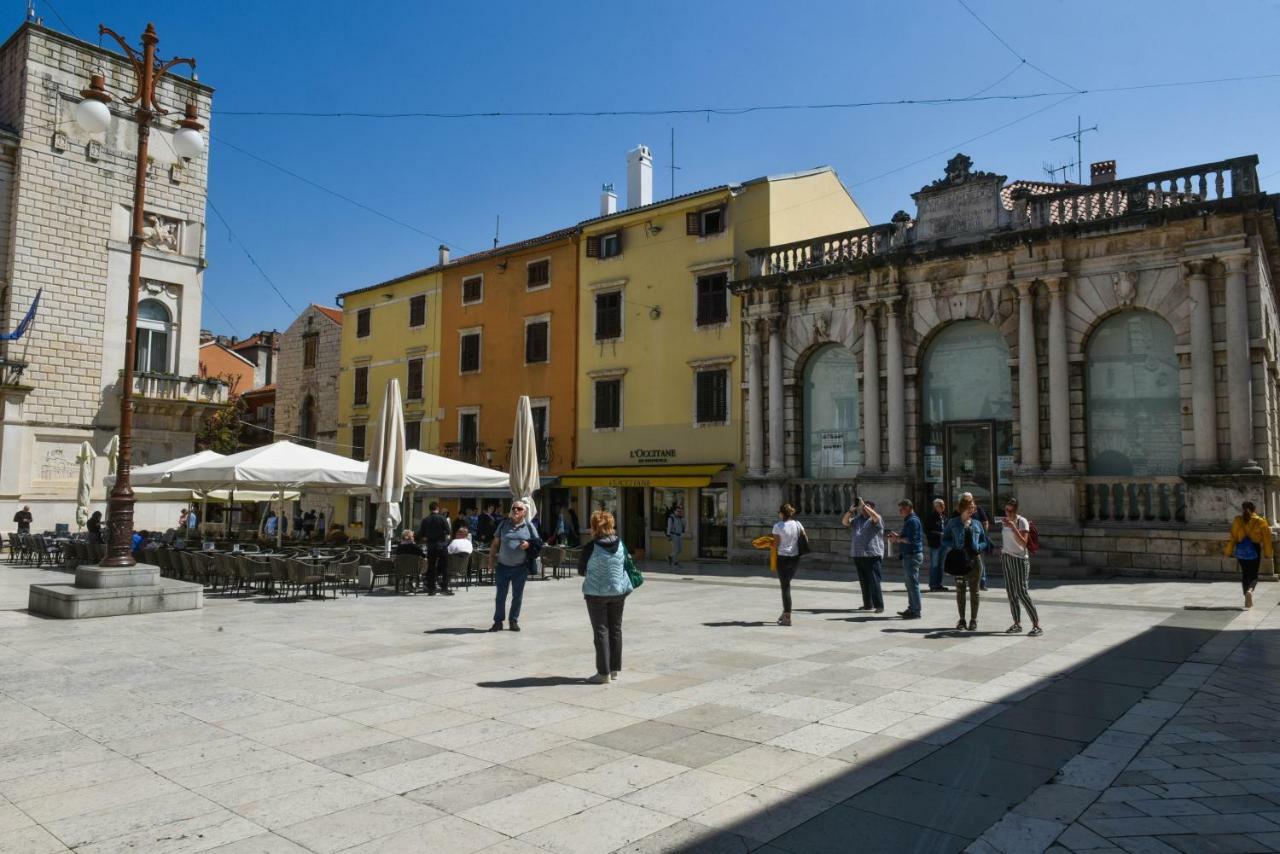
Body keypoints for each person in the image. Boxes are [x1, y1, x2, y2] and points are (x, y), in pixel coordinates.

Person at [580, 510, 633, 683]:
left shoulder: (591, 547)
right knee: (615, 630)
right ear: (611, 525)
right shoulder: (621, 544)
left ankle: (603, 673)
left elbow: (581, 570)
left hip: (596, 593)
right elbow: (626, 563)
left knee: (601, 631)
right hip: (618, 592)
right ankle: (614, 670)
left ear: (594, 526)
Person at [488, 501, 540, 631]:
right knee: (500, 596)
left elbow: (538, 543)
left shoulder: (529, 526)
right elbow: (495, 544)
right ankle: (498, 622)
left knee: (517, 596)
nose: (516, 510)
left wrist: (528, 544)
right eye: (514, 508)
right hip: (503, 566)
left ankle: (513, 621)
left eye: (519, 508)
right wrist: (490, 562)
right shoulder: (503, 524)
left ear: (524, 512)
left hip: (520, 568)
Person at [942, 495, 987, 631]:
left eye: (973, 507)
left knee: (975, 592)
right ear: (962, 508)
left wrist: (979, 547)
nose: (972, 509)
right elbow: (945, 539)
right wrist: (954, 545)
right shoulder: (953, 522)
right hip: (959, 560)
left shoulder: (977, 524)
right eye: (969, 507)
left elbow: (984, 541)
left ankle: (973, 620)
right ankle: (962, 620)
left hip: (975, 560)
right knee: (960, 591)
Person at [1000, 498, 1042, 635]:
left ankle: (1036, 625)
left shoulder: (1021, 521)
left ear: (1016, 510)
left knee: (1022, 592)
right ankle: (1017, 623)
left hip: (1019, 560)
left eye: (1010, 511)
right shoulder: (1005, 521)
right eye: (1005, 510)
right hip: (1007, 557)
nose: (1007, 513)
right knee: (1011, 592)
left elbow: (1023, 543)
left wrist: (1013, 528)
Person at [1225, 500, 1272, 610]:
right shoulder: (1261, 521)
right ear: (1254, 509)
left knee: (1245, 573)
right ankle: (1250, 591)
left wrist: (1228, 551)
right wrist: (1268, 554)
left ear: (1243, 508)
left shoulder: (1238, 520)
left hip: (1241, 548)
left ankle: (1246, 594)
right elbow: (1267, 539)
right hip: (1254, 549)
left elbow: (1233, 537)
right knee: (1254, 574)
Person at [842, 498, 885, 613]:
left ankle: (879, 605)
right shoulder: (857, 520)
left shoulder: (876, 519)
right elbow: (845, 522)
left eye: (867, 507)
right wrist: (850, 511)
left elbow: (876, 517)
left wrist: (865, 506)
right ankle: (867, 604)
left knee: (874, 581)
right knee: (864, 581)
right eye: (863, 507)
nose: (863, 509)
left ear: (872, 508)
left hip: (872, 555)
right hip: (858, 554)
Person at [887, 499, 924, 620]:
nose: (900, 512)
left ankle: (915, 610)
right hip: (910, 555)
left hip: (912, 555)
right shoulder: (910, 520)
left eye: (901, 509)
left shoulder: (912, 521)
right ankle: (912, 608)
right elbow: (907, 537)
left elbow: (910, 540)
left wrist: (896, 540)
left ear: (908, 507)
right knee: (909, 584)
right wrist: (898, 536)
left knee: (912, 584)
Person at [771, 503, 806, 626]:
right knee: (787, 584)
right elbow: (805, 538)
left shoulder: (777, 526)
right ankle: (785, 611)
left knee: (785, 587)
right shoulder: (798, 524)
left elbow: (775, 544)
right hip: (795, 558)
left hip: (782, 558)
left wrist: (767, 543)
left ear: (781, 513)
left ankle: (787, 616)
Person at [418, 502, 452, 595]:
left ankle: (431, 589)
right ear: (437, 508)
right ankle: (444, 588)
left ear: (430, 509)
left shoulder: (425, 520)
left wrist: (428, 537)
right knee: (445, 567)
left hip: (431, 546)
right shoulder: (442, 518)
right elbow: (448, 532)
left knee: (431, 567)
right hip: (441, 545)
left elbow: (422, 535)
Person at [925, 498, 950, 592]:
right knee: (934, 565)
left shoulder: (943, 517)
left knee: (941, 565)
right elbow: (927, 531)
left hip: (944, 544)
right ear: (935, 507)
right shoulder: (931, 517)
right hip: (935, 544)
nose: (943, 507)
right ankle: (933, 584)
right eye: (940, 505)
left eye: (943, 505)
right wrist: (939, 534)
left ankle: (939, 584)